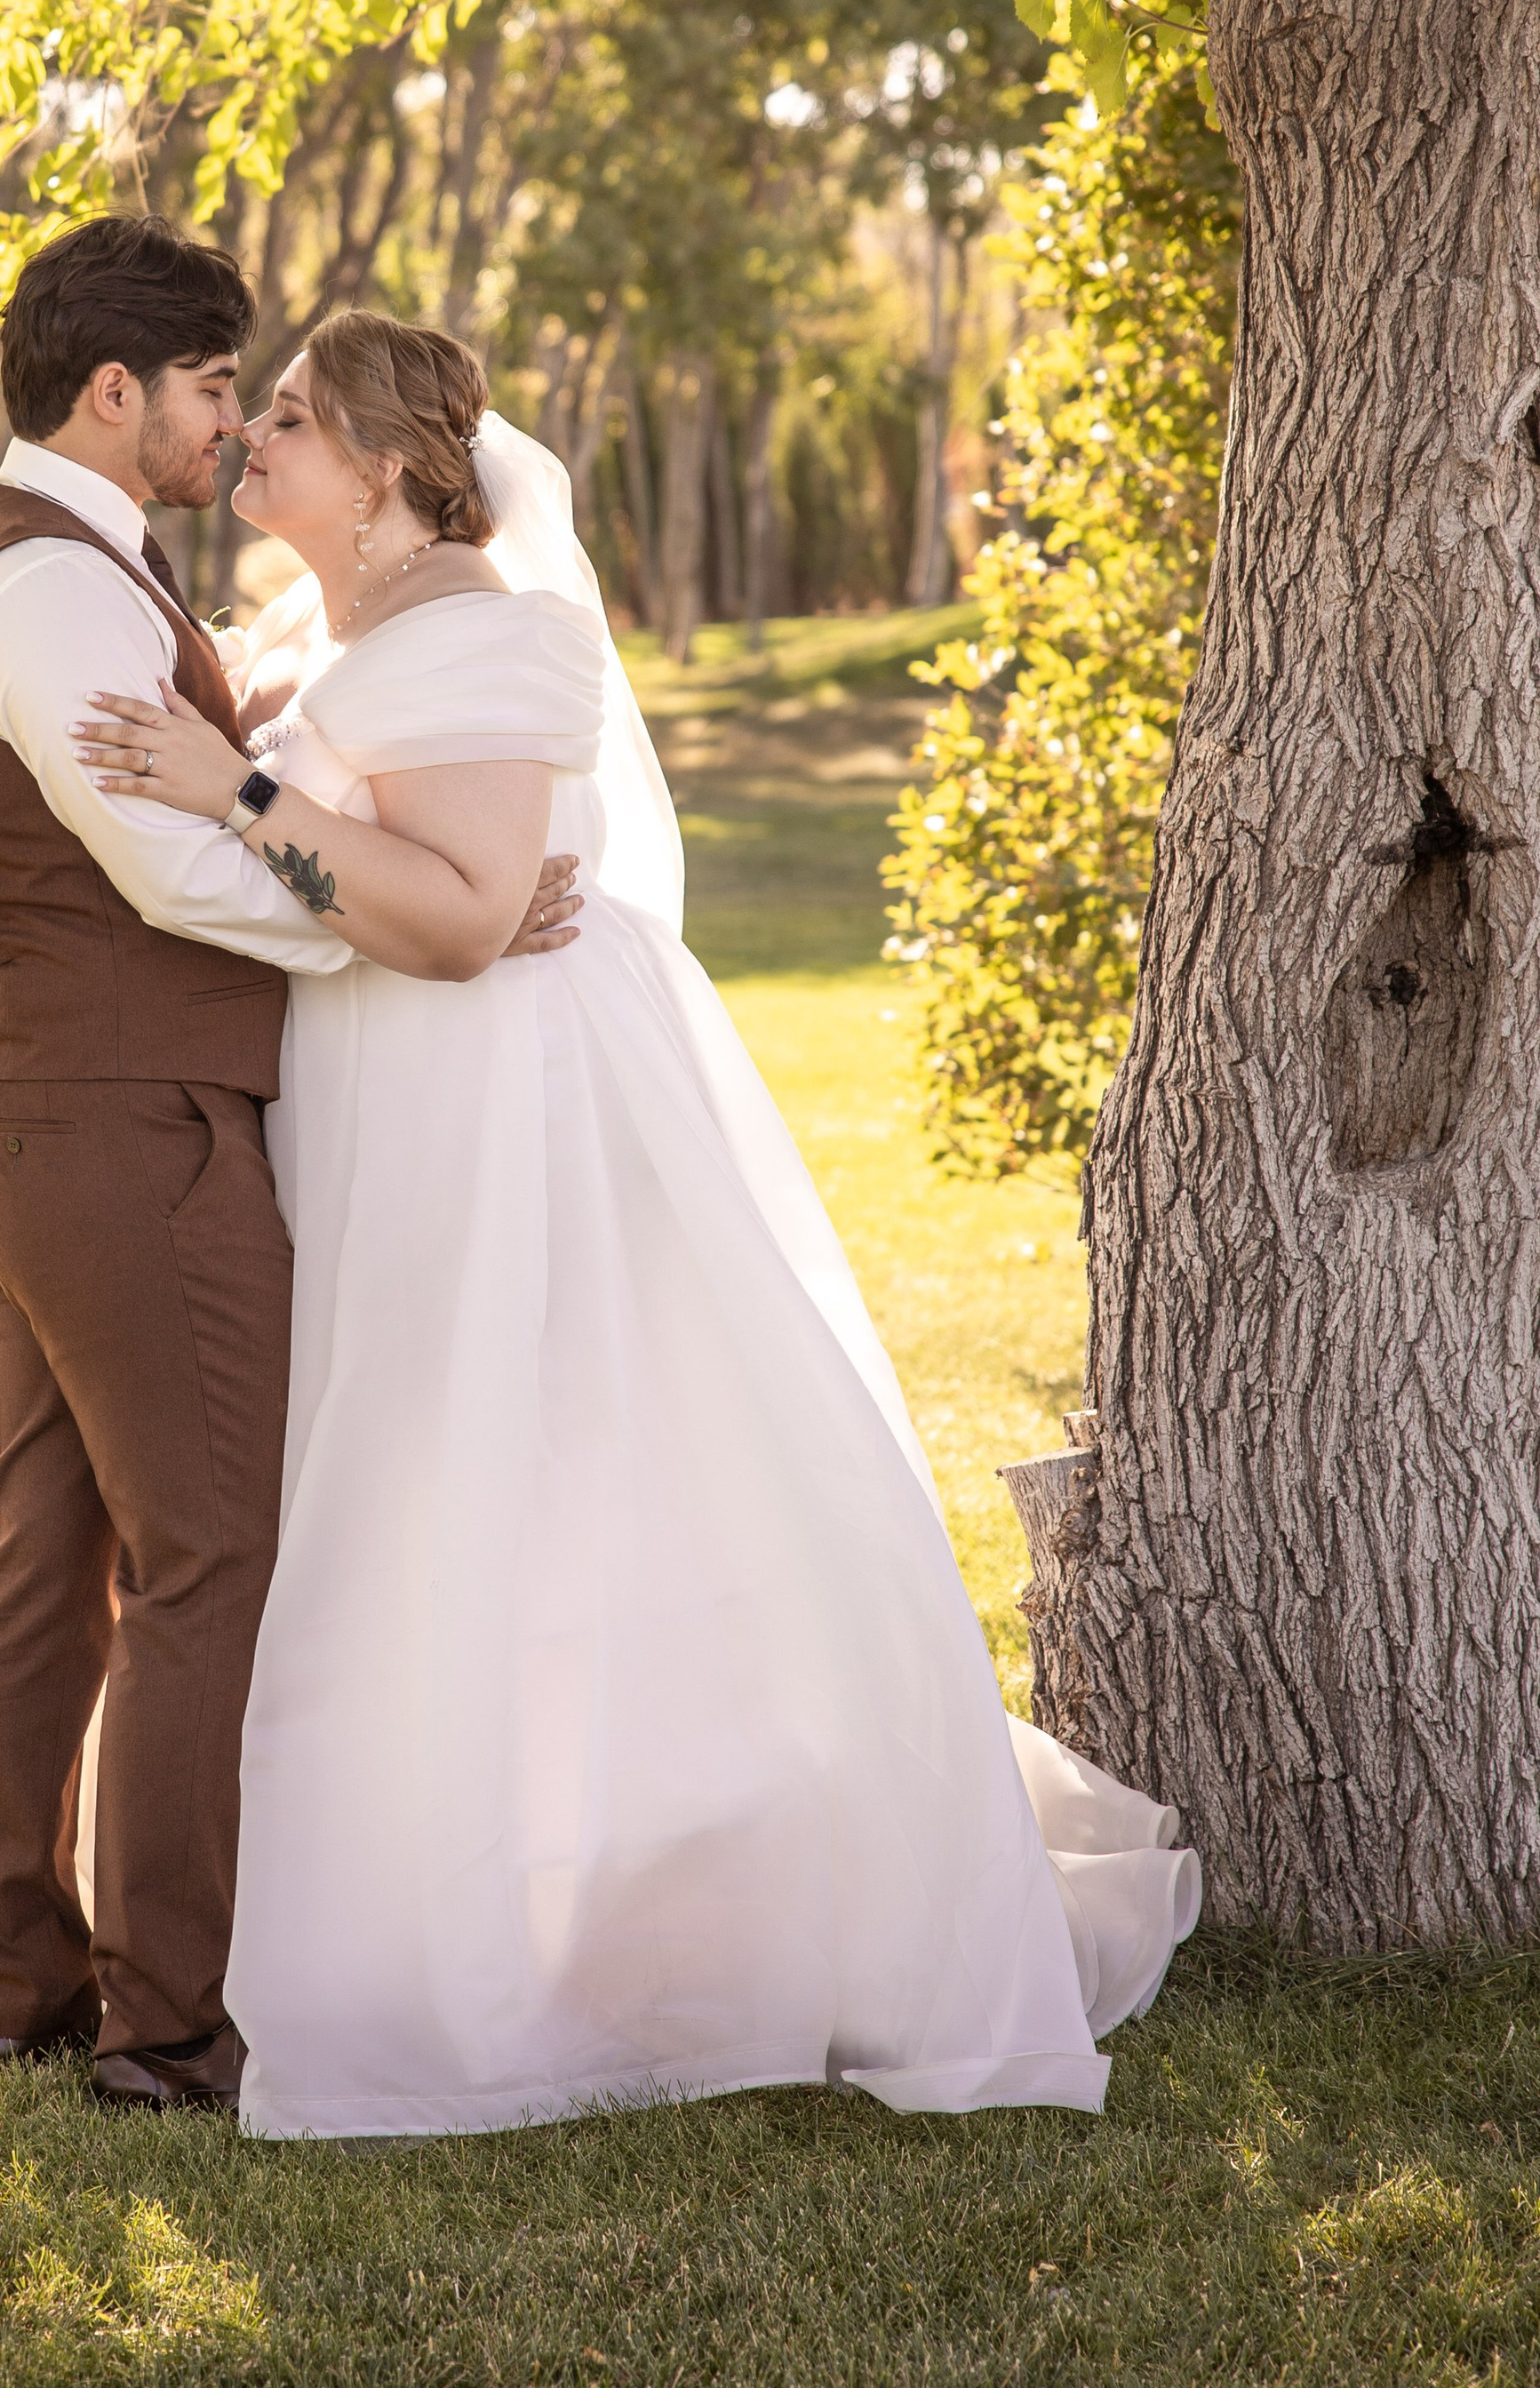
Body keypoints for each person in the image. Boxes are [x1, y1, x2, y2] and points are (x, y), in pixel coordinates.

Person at [68, 307, 1201, 2137]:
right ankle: (427, 1887)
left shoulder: (488, 629)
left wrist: (239, 788)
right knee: (397, 1483)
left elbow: (456, 913)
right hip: (377, 1087)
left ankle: (557, 1928)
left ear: (380, 467)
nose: (251, 437)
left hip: (491, 1102)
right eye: (252, 409)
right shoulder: (327, 624)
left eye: (287, 416)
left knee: (523, 1473)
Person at [0, 223, 577, 2112]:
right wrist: (421, 917)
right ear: (112, 391)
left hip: (63, 1109)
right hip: (124, 1122)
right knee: (204, 1554)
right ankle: (166, 2023)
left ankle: (26, 1980)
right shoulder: (48, 592)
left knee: (52, 1556)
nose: (228, 420)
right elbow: (171, 867)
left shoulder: (92, 569)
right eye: (214, 387)